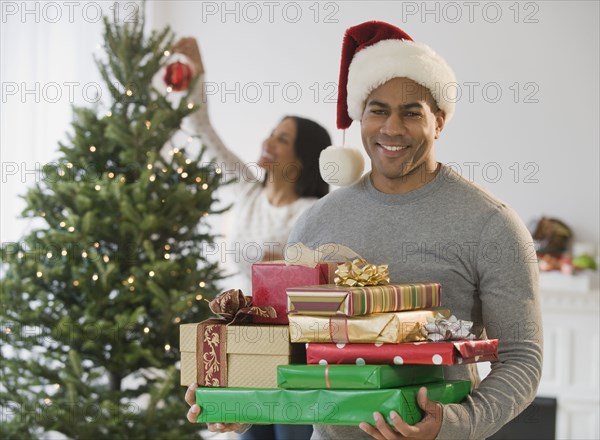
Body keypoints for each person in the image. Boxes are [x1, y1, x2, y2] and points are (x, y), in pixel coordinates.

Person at [185, 21, 543, 440]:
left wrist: (453, 424)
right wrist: (240, 403)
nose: (392, 128)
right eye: (378, 110)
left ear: (439, 122)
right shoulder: (317, 221)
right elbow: (291, 349)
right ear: (360, 116)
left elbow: (522, 360)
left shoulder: (491, 224)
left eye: (412, 113)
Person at [173, 37, 329, 440]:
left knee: (290, 433)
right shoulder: (246, 192)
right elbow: (201, 130)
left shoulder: (312, 211)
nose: (268, 141)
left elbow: (319, 275)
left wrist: (288, 262)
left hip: (296, 351)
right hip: (245, 343)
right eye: (272, 133)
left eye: (283, 139)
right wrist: (196, 73)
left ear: (303, 157)